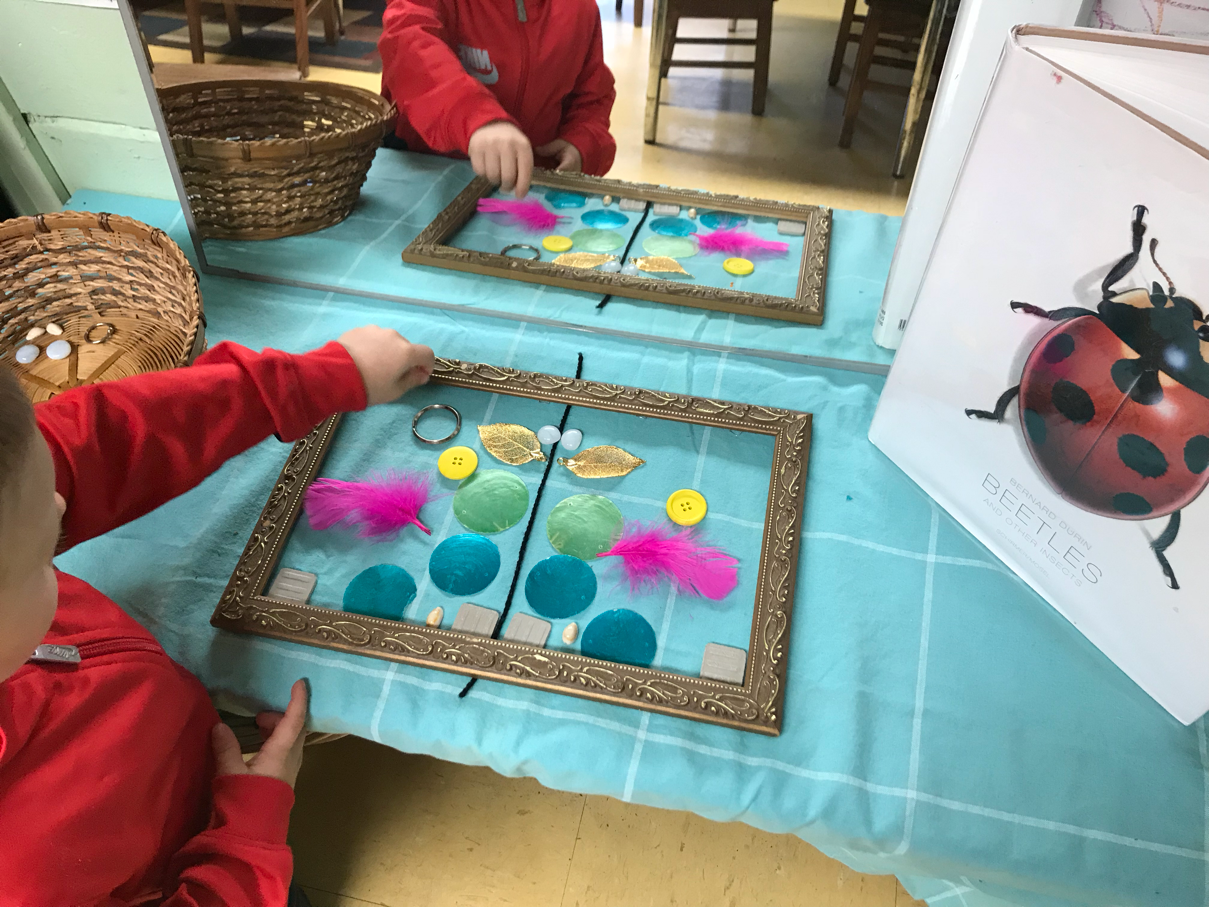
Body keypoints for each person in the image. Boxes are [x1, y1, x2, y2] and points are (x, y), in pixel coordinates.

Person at [0, 326, 435, 905]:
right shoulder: (28, 879)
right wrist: (248, 831)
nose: (61, 502)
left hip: (189, 751)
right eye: (44, 552)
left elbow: (100, 440)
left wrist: (318, 378)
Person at [378, 0, 617, 197]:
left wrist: (581, 144)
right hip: (424, 179)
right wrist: (474, 115)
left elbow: (592, 96)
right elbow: (408, 45)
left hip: (527, 192)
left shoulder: (580, 9)